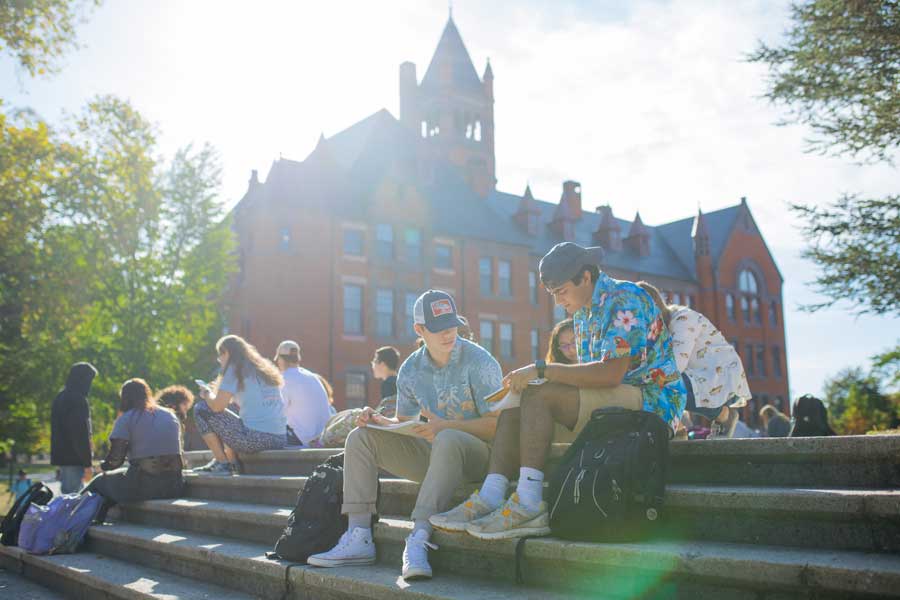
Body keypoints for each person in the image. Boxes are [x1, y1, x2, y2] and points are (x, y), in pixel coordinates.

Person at [431, 242, 685, 540]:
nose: (557, 301)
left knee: (540, 393)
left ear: (586, 277)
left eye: (561, 291)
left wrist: (541, 370)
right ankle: (490, 496)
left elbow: (610, 374)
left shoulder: (625, 298)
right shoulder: (582, 313)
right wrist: (532, 382)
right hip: (616, 400)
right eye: (552, 294)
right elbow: (589, 376)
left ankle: (528, 505)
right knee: (518, 404)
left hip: (653, 402)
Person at [307, 290, 503, 581]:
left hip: (478, 459)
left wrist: (445, 426)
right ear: (419, 330)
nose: (450, 334)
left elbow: (497, 426)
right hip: (434, 453)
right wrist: (377, 421)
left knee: (447, 437)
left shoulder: (480, 362)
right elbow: (406, 423)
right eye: (439, 329)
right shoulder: (410, 370)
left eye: (452, 326)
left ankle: (419, 536)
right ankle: (358, 535)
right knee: (360, 438)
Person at [637, 282, 751, 439]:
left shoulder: (683, 319)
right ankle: (682, 428)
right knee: (656, 383)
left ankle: (724, 415)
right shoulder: (656, 331)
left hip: (721, 376)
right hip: (699, 375)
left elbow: (677, 365)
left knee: (662, 383)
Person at [84, 379, 184, 522]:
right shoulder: (170, 415)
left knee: (99, 482)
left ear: (125, 398)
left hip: (144, 486)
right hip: (174, 485)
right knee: (116, 481)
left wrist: (100, 467)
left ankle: (69, 521)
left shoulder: (127, 418)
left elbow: (115, 461)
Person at [192, 335, 287, 475]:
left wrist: (206, 393)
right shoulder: (263, 368)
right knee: (231, 415)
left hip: (255, 438)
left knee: (201, 409)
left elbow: (217, 407)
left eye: (220, 355)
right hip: (280, 438)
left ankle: (222, 463)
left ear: (227, 352)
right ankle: (230, 462)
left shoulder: (234, 368)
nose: (220, 360)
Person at [51, 362, 97, 494]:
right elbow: (80, 434)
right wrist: (87, 463)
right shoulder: (77, 400)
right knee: (72, 499)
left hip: (63, 457)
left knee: (67, 496)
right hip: (74, 458)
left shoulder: (60, 397)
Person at [275, 340, 331, 447]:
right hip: (322, 439)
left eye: (278, 359)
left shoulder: (284, 378)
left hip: (302, 440)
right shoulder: (312, 377)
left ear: (281, 359)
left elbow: (276, 413)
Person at [156, 385, 206, 451]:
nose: (186, 408)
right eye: (184, 404)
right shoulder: (173, 420)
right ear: (174, 403)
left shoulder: (154, 417)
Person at [371, 346, 401, 418]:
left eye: (374, 361)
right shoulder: (399, 381)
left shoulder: (388, 384)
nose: (372, 365)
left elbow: (388, 411)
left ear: (383, 364)